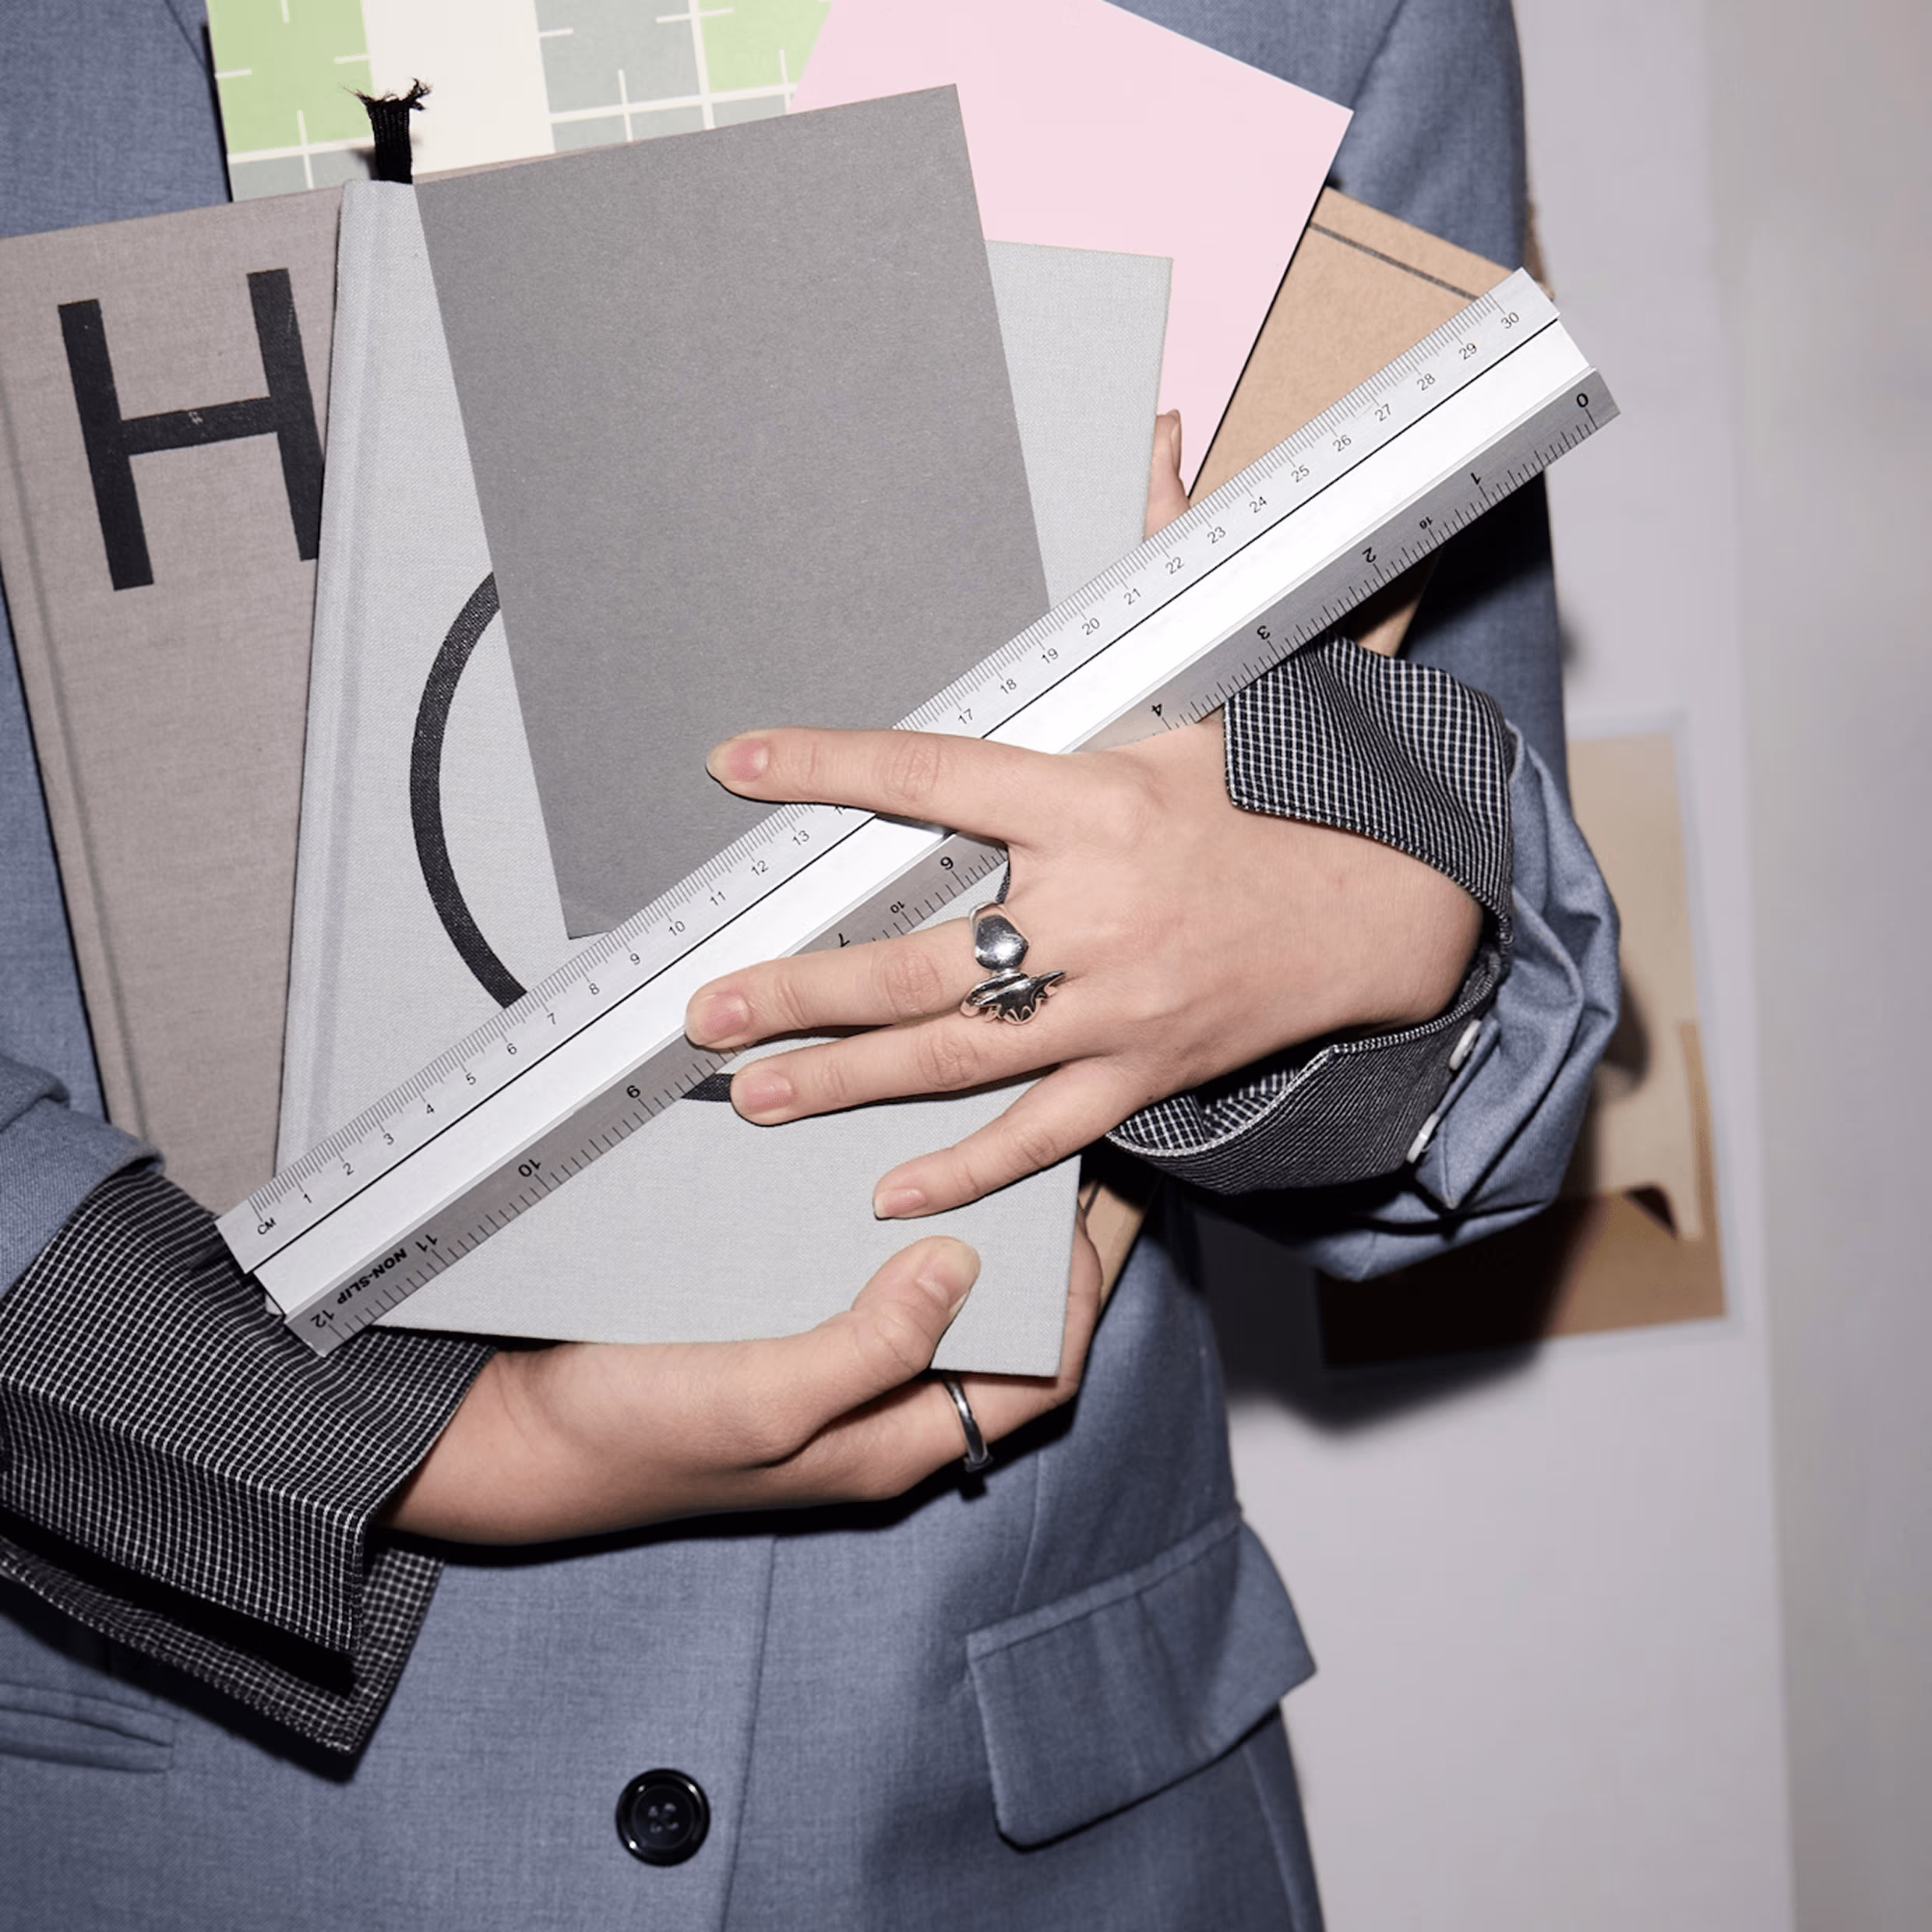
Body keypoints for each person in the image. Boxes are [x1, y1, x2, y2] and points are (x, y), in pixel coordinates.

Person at [0, 2, 1616, 1925]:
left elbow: (1489, 1072)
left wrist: (1320, 950)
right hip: (179, 1813)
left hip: (1022, 1830)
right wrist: (414, 1436)